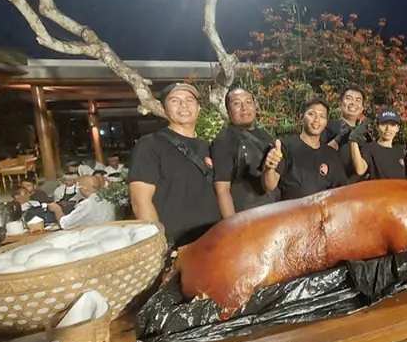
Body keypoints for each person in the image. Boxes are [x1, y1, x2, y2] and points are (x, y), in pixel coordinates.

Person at [128, 82, 220, 247]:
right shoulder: (150, 144)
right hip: (177, 244)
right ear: (164, 109)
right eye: (175, 101)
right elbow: (140, 201)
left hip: (212, 238)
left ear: (198, 109)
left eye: (190, 100)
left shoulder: (206, 146)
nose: (184, 105)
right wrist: (158, 244)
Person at [211, 87, 278, 217]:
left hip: (270, 213)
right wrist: (232, 226)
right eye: (237, 103)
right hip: (245, 217)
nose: (244, 108)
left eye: (248, 102)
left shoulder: (265, 136)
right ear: (228, 110)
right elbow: (222, 190)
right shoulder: (224, 140)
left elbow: (272, 183)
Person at [263, 98, 347, 200]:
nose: (317, 120)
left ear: (326, 122)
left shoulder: (331, 155)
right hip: (292, 212)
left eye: (322, 116)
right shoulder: (286, 146)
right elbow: (269, 186)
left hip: (322, 213)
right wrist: (269, 169)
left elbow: (341, 191)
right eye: (311, 114)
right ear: (301, 117)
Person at [322, 88, 367, 182]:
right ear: (340, 103)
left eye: (358, 100)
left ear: (362, 108)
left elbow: (363, 168)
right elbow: (317, 155)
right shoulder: (328, 126)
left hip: (357, 189)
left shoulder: (365, 135)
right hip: (331, 187)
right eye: (349, 98)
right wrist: (338, 139)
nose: (353, 103)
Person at [349, 108, 406, 180]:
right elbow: (360, 170)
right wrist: (353, 140)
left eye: (392, 125)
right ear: (378, 126)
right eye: (384, 124)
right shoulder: (370, 148)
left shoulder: (400, 151)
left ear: (397, 128)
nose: (388, 129)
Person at [48, 176, 115, 229]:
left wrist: (57, 209)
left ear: (84, 188)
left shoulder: (87, 204)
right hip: (108, 231)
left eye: (79, 187)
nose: (78, 189)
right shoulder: (107, 198)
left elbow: (65, 224)